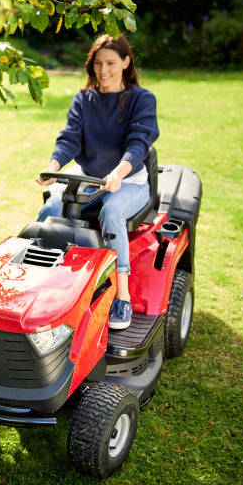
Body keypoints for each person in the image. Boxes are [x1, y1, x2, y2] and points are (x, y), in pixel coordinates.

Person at [36, 34, 159, 330]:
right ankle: (40, 285)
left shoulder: (141, 100)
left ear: (126, 62)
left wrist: (118, 173)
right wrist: (53, 165)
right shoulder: (84, 99)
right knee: (50, 209)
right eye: (98, 63)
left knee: (111, 212)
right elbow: (70, 139)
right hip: (89, 178)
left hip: (129, 182)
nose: (103, 71)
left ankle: (123, 298)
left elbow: (139, 142)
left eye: (111, 63)